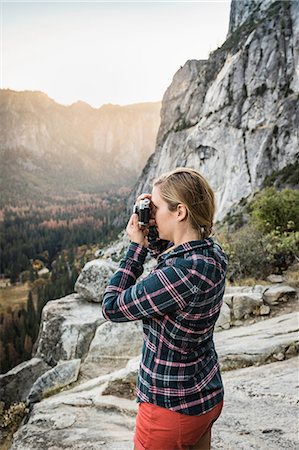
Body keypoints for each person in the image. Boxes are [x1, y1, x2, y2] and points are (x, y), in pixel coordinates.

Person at [102, 167, 227, 450]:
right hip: (205, 395)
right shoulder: (211, 253)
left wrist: (135, 248)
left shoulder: (183, 273)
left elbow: (111, 307)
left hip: (170, 408)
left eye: (156, 208)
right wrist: (153, 230)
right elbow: (172, 257)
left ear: (180, 211)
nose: (152, 213)